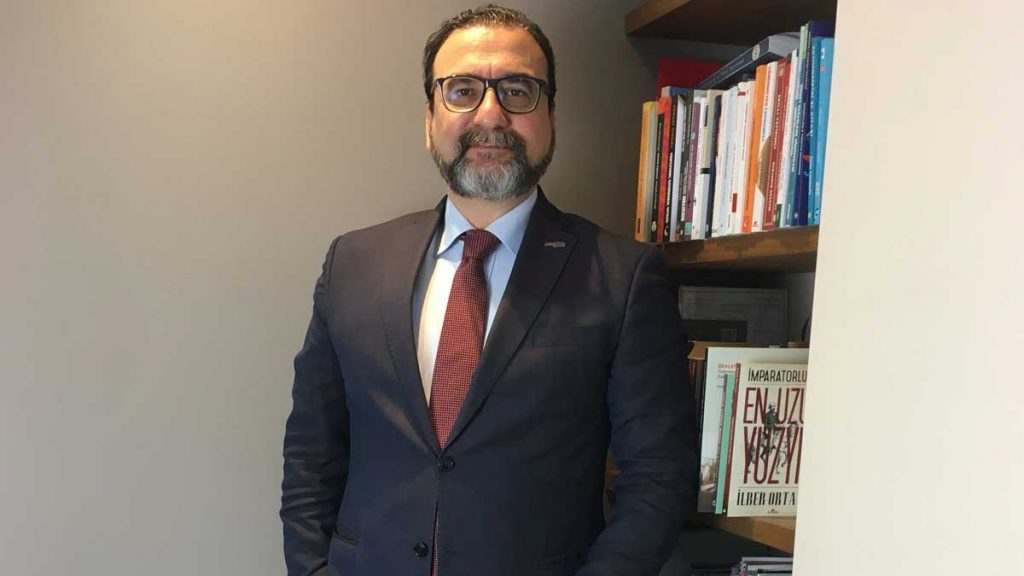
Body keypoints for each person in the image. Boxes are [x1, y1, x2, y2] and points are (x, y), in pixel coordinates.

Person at [280, 5, 697, 575]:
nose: (491, 113)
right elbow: (311, 453)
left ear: (551, 116)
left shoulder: (625, 277)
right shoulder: (352, 264)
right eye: (463, 91)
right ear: (430, 118)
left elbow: (659, 477)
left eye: (518, 91)